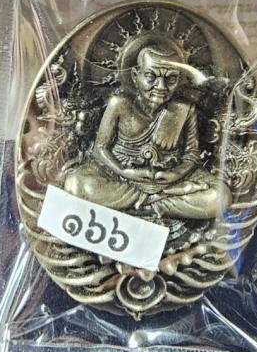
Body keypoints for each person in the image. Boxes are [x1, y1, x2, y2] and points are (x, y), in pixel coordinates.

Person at [64, 42, 231, 219]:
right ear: (135, 76)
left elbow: (191, 155)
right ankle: (156, 203)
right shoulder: (120, 104)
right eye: (151, 77)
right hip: (121, 176)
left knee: (221, 196)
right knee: (75, 184)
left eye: (171, 79)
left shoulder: (184, 109)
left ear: (180, 79)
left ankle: (142, 204)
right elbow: (100, 149)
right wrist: (124, 171)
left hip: (168, 179)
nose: (161, 86)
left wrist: (175, 174)